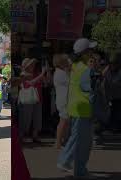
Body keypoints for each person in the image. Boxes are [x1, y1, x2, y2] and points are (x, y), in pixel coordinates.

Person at [57, 38, 97, 178]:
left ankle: (80, 171)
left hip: (75, 107)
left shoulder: (75, 66)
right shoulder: (85, 69)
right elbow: (88, 90)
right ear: (85, 53)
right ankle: (65, 161)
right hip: (84, 108)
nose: (92, 53)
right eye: (90, 50)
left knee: (84, 141)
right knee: (80, 140)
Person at [18, 58, 46, 143]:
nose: (33, 66)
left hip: (37, 98)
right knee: (26, 118)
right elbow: (30, 83)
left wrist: (46, 73)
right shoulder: (23, 74)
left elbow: (46, 82)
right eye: (31, 64)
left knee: (37, 118)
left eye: (33, 64)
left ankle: (35, 135)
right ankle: (21, 136)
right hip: (27, 100)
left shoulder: (36, 73)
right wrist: (42, 74)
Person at [53, 54, 72, 149]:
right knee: (63, 121)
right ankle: (58, 143)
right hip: (64, 100)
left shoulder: (61, 72)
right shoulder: (60, 73)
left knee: (65, 121)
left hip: (64, 99)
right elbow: (71, 81)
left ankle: (62, 141)